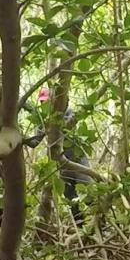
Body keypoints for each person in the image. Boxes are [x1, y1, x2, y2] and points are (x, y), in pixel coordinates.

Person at [25, 87, 93, 226]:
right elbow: (34, 142)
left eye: (47, 101)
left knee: (89, 193)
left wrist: (53, 124)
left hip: (77, 160)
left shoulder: (68, 112)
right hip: (62, 164)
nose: (45, 105)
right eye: (42, 102)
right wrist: (21, 137)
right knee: (70, 198)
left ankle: (100, 224)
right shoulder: (42, 119)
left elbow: (66, 129)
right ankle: (80, 227)